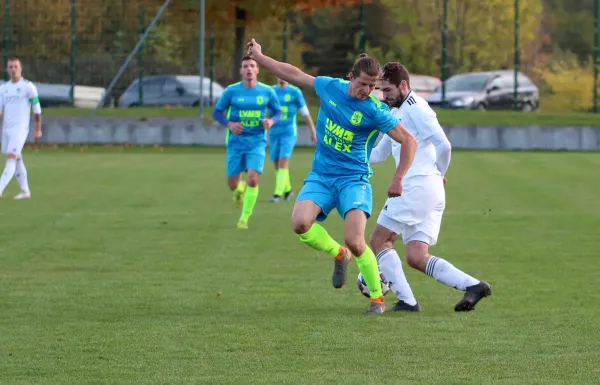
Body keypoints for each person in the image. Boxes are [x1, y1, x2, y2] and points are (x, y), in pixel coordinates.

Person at [246, 38, 417, 315]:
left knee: (356, 238)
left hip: (354, 180)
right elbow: (293, 73)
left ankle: (377, 298)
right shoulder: (330, 87)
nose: (367, 90)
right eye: (362, 84)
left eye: (373, 86)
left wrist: (398, 177)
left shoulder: (374, 110)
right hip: (322, 176)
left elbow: (409, 141)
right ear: (350, 77)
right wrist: (261, 57)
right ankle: (338, 254)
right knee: (300, 224)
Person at [369, 62, 491, 312]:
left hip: (415, 187)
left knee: (379, 240)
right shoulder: (395, 112)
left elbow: (444, 146)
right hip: (427, 190)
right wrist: (346, 150)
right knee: (416, 256)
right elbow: (378, 154)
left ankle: (407, 301)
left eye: (388, 89)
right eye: (380, 90)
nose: (384, 96)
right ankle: (474, 285)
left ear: (403, 85)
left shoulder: (417, 109)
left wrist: (439, 173)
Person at [212, 55, 282, 229]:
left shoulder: (267, 91)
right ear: (241, 70)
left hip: (256, 142)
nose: (249, 69)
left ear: (257, 69)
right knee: (232, 184)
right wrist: (229, 124)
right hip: (236, 143)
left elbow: (277, 112)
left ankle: (244, 218)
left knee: (253, 179)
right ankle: (238, 189)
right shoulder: (231, 91)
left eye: (252, 65)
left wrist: (271, 122)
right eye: (246, 66)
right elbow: (217, 113)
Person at [0, 57, 42, 199]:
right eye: (10, 67)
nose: (13, 70)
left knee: (11, 158)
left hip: (20, 129)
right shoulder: (4, 88)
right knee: (17, 158)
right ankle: (25, 191)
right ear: (7, 69)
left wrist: (38, 129)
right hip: (7, 129)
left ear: (21, 68)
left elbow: (37, 110)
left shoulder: (28, 87)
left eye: (15, 67)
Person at [269, 78, 316, 202]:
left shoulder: (295, 92)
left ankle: (277, 194)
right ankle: (288, 190)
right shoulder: (271, 91)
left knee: (283, 162)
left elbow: (305, 113)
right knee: (276, 163)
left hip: (288, 132)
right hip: (274, 132)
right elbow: (264, 110)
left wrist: (312, 130)